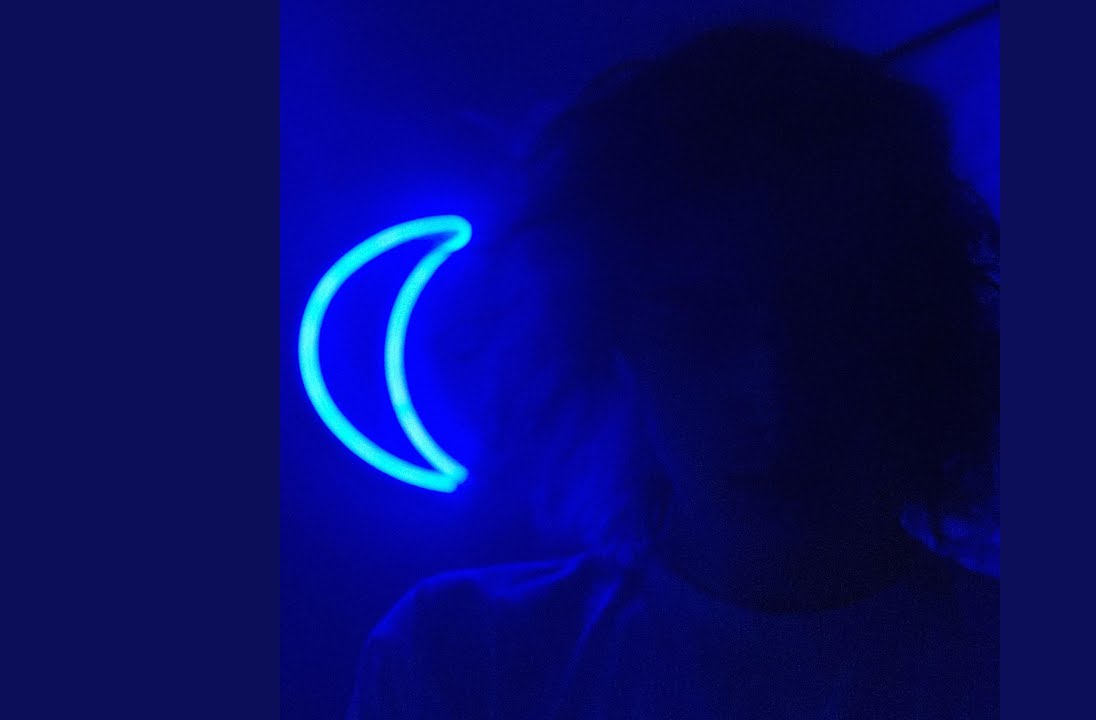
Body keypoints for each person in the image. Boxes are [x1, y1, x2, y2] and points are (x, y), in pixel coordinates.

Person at [348, 23, 1000, 719]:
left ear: (912, 326)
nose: (773, 391)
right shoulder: (458, 656)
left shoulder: (472, 657)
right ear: (613, 333)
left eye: (831, 318)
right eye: (699, 322)